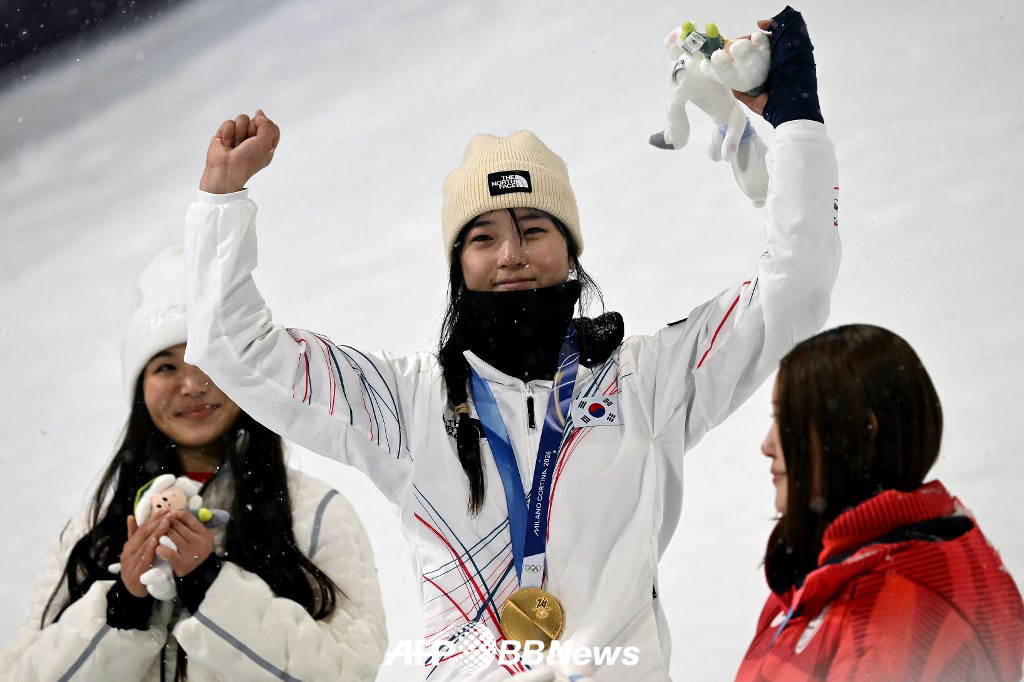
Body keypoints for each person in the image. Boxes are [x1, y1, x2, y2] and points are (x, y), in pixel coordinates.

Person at [183, 7, 839, 679]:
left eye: (533, 228)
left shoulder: (646, 380)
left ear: (570, 248)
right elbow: (234, 348)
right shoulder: (405, 404)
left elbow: (795, 287)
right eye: (483, 236)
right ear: (457, 264)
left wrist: (795, 125)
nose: (511, 255)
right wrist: (220, 202)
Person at [0, 246, 387, 681]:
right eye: (165, 366)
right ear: (140, 390)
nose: (191, 385)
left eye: (207, 360)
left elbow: (350, 671)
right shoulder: (91, 531)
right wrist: (124, 606)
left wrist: (211, 587)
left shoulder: (316, 513)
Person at [737, 324, 1024, 681]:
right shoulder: (828, 571)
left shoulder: (890, 617)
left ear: (859, 433)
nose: (767, 444)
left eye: (788, 419)